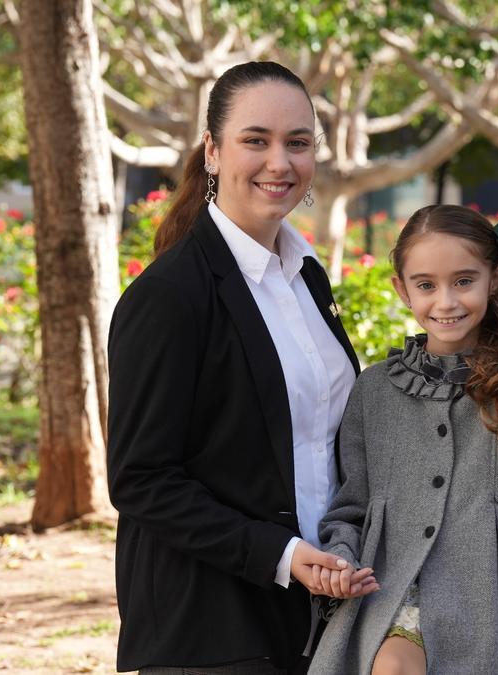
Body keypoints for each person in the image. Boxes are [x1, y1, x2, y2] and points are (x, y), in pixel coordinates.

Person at [106, 61, 376, 674]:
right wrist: (281, 553)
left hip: (314, 618)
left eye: (297, 143)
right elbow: (141, 479)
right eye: (256, 140)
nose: (279, 163)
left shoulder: (307, 276)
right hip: (210, 630)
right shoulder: (169, 295)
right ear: (212, 150)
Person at [306, 205, 498, 675]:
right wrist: (340, 558)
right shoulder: (374, 389)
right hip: (393, 595)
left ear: (497, 277)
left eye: (463, 281)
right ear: (402, 290)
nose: (445, 302)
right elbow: (352, 508)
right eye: (426, 285)